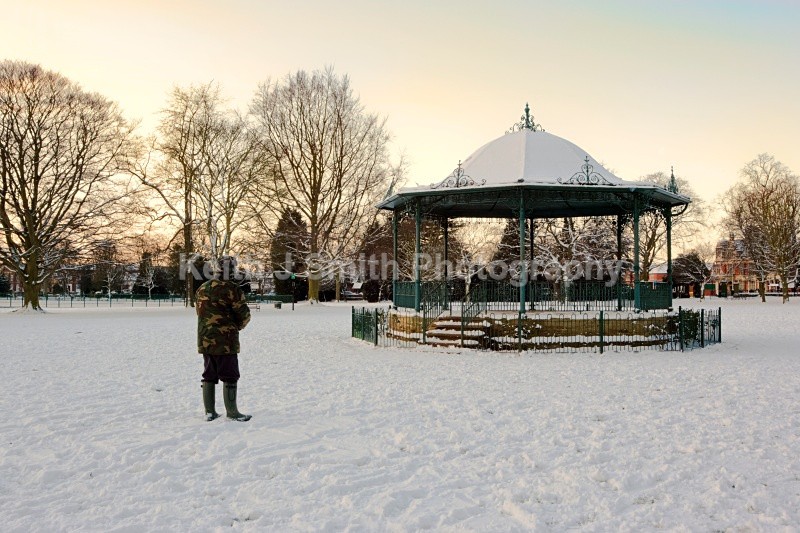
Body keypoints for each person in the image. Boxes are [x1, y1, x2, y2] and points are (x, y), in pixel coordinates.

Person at [196, 256, 252, 422]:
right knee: (230, 374)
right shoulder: (232, 289)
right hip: (226, 340)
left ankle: (209, 411)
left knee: (209, 374)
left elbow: (199, 311)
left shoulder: (203, 287)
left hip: (205, 338)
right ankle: (232, 412)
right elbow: (244, 315)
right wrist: (237, 327)